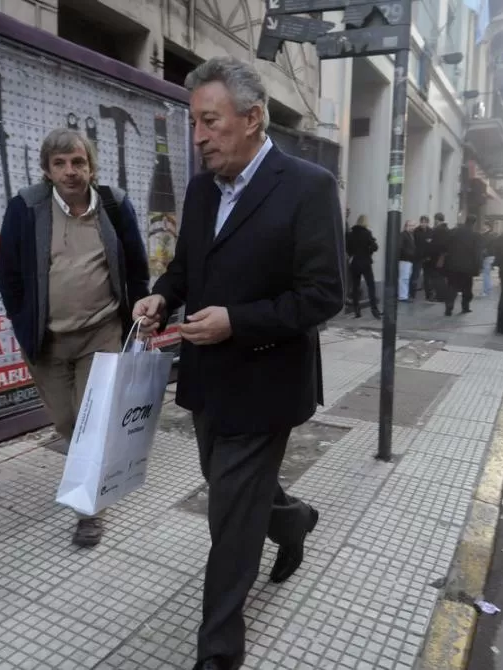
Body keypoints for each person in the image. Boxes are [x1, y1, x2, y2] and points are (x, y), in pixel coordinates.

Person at [132, 56, 344, 670]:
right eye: (193, 122)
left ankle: (219, 653)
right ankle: (295, 519)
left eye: (209, 122)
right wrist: (162, 295)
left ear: (252, 118)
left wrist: (237, 321)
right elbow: (186, 267)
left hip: (266, 381)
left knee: (228, 517)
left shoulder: (307, 186)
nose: (197, 137)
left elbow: (322, 296)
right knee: (235, 490)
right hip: (206, 379)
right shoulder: (202, 189)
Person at [0, 127, 149, 547]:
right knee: (67, 423)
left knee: (92, 427)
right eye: (59, 163)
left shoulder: (115, 206)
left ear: (91, 165)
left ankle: (89, 512)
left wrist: (142, 314)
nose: (70, 171)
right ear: (47, 170)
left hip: (102, 332)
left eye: (78, 162)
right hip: (48, 342)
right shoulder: (26, 208)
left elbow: (136, 267)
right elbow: (7, 275)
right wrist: (23, 320)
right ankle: (88, 477)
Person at [443, 215, 483, 315]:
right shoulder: (475, 236)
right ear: (474, 223)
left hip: (453, 265)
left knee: (452, 286)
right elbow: (477, 253)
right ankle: (465, 306)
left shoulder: (454, 232)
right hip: (467, 267)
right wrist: (478, 266)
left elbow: (446, 246)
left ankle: (449, 306)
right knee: (467, 288)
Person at [345, 214, 380, 318]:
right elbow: (375, 247)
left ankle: (357, 310)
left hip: (355, 262)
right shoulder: (367, 233)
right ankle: (374, 309)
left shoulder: (350, 234)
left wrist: (352, 254)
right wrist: (368, 252)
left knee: (355, 286)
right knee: (371, 285)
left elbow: (347, 248)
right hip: (365, 262)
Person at [412, 215, 432, 300]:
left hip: (427, 257)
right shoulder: (416, 231)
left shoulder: (431, 231)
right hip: (417, 257)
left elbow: (432, 244)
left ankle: (428, 294)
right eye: (422, 222)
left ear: (427, 223)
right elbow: (413, 243)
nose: (423, 224)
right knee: (415, 275)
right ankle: (412, 294)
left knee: (427, 277)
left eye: (425, 222)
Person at [398, 220, 417, 302]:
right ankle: (402, 296)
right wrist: (409, 254)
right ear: (406, 226)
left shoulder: (411, 235)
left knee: (406, 278)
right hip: (404, 259)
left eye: (413, 226)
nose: (412, 227)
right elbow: (400, 247)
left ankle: (405, 295)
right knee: (404, 278)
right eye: (410, 225)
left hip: (409, 260)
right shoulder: (403, 235)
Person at [480, 221, 498, 297]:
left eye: (484, 225)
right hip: (491, 256)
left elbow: (484, 245)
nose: (483, 227)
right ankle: (488, 289)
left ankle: (486, 291)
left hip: (487, 256)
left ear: (488, 226)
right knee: (487, 274)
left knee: (486, 274)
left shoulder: (487, 235)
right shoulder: (493, 235)